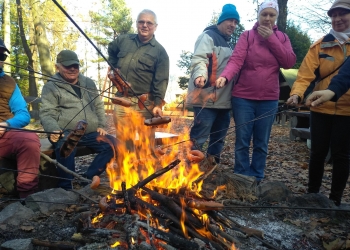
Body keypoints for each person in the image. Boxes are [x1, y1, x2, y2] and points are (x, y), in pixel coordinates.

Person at [216, 0, 296, 182]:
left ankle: (258, 177)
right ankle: (241, 177)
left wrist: (271, 39)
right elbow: (236, 60)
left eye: (271, 15)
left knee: (261, 142)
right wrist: (225, 76)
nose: (267, 18)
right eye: (264, 14)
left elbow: (288, 62)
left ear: (276, 17)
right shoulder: (247, 36)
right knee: (242, 140)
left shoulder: (282, 38)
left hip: (269, 98)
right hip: (243, 97)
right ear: (258, 16)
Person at [286, 0, 350, 206]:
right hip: (319, 107)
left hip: (348, 111)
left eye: (343, 14)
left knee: (342, 155)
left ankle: (335, 200)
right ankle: (312, 194)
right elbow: (304, 75)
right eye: (334, 15)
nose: (338, 19)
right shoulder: (320, 45)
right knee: (317, 152)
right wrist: (296, 94)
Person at [40, 50, 117, 190]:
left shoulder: (88, 83)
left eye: (75, 66)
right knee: (66, 147)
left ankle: (87, 179)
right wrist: (53, 129)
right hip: (65, 132)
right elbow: (46, 112)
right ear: (58, 67)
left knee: (113, 144)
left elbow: (98, 105)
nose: (72, 69)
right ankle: (66, 187)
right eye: (67, 66)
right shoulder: (51, 86)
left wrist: (101, 124)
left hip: (90, 131)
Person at [186, 4, 240, 164]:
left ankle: (211, 169)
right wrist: (200, 75)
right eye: (230, 20)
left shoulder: (228, 43)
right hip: (206, 100)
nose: (233, 25)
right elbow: (200, 59)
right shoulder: (208, 36)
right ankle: (188, 170)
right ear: (221, 21)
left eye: (236, 22)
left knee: (218, 140)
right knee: (198, 139)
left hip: (223, 102)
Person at [108, 9, 169, 122]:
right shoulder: (123, 40)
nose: (145, 25)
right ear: (136, 24)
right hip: (122, 101)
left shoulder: (160, 52)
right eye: (141, 22)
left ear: (155, 26)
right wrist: (114, 66)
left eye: (149, 23)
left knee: (144, 139)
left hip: (145, 105)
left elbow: (161, 82)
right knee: (122, 139)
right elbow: (111, 50)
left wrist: (157, 105)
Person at [0, 38, 40, 198]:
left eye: (2, 57)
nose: (0, 60)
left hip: (5, 135)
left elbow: (24, 115)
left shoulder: (9, 83)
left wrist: (5, 124)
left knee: (29, 139)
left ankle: (27, 196)